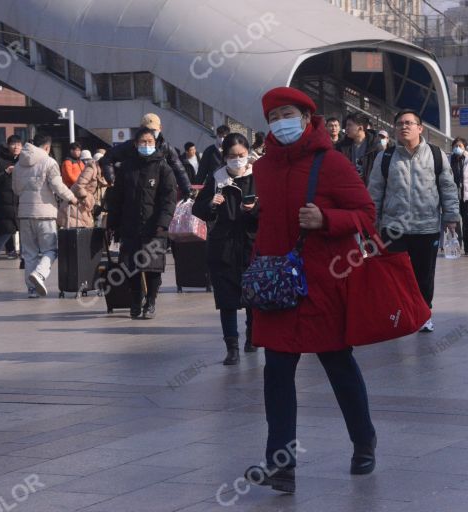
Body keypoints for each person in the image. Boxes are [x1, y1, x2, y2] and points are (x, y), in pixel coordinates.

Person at [243, 87, 378, 493]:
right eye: (272, 118)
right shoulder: (263, 169)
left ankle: (363, 440)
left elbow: (367, 215)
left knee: (339, 367)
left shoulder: (331, 163)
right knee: (278, 374)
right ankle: (280, 463)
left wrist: (327, 219)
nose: (279, 123)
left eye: (286, 114)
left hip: (322, 286)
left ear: (305, 117)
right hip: (278, 288)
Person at [367, 110, 460, 333]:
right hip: (393, 228)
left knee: (424, 275)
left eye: (409, 123)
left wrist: (451, 217)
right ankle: (397, 315)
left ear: (420, 128)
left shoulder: (436, 155)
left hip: (426, 227)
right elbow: (375, 191)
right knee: (393, 276)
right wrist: (371, 223)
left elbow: (448, 187)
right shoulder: (386, 157)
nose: (404, 127)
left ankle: (423, 314)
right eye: (399, 124)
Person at [192, 133, 259, 365]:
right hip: (223, 247)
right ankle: (232, 347)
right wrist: (211, 204)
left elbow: (271, 210)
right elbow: (198, 209)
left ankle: (253, 338)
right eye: (232, 156)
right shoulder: (216, 178)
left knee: (253, 297)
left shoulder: (257, 176)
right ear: (224, 156)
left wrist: (254, 210)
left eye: (241, 155)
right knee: (227, 300)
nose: (238, 160)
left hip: (251, 245)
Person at [107, 127, 176, 319]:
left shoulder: (163, 168)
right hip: (129, 225)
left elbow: (169, 199)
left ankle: (151, 302)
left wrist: (163, 223)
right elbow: (117, 198)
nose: (146, 146)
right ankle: (136, 300)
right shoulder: (126, 168)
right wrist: (112, 222)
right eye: (143, 142)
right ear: (135, 144)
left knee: (153, 268)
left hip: (154, 228)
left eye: (150, 142)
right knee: (131, 268)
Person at [12, 134, 78, 298]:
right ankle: (40, 274)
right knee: (51, 249)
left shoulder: (19, 164)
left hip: (25, 214)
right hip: (45, 214)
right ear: (47, 147)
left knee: (29, 252)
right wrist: (71, 197)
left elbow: (16, 190)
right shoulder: (49, 162)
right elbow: (57, 185)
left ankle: (32, 289)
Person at [99, 113, 192, 198]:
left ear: (160, 128)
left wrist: (188, 190)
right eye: (147, 130)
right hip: (133, 193)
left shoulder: (166, 148)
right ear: (141, 129)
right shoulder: (130, 146)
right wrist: (112, 180)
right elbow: (108, 157)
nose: (150, 133)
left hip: (158, 192)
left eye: (154, 130)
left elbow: (179, 170)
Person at [0, 135, 22, 266]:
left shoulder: (23, 159)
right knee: (7, 229)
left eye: (19, 144)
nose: (16, 147)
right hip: (4, 201)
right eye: (14, 144)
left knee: (23, 230)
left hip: (20, 200)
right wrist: (6, 172)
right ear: (8, 145)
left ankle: (24, 258)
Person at [58, 150, 106, 229]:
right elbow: (78, 184)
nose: (86, 161)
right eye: (85, 159)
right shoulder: (91, 169)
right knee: (77, 232)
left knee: (83, 230)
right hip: (76, 204)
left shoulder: (96, 171)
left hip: (81, 205)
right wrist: (87, 199)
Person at [449, 137, 468, 251]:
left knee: (467, 221)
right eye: (455, 146)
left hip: (467, 196)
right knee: (455, 222)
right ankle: (457, 245)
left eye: (460, 146)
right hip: (453, 196)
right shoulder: (448, 160)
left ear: (464, 147)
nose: (457, 148)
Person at [336, 112, 377, 184]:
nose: (346, 128)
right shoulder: (341, 147)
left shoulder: (375, 146)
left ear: (360, 128)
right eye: (346, 125)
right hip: (349, 187)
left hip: (370, 189)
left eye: (349, 125)